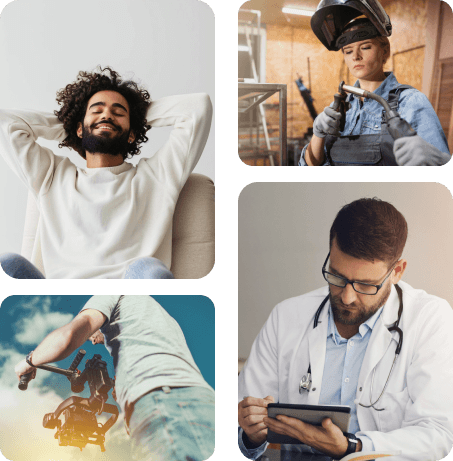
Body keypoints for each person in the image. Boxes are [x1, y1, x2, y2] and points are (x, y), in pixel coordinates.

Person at [238, 198, 453, 460]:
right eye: (337, 277)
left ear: (397, 271)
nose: (348, 297)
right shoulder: (286, 316)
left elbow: (436, 433)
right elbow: (243, 425)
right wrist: (250, 433)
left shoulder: (430, 319)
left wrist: (352, 446)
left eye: (365, 284)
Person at [0, 67, 212, 278]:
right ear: (79, 128)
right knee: (7, 263)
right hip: (59, 299)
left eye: (118, 112)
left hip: (129, 295)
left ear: (132, 136)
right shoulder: (52, 176)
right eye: (97, 110)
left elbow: (197, 107)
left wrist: (133, 117)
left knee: (149, 270)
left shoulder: (157, 176)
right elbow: (5, 122)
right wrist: (72, 122)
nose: (107, 115)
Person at [15, 295, 215, 461]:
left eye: (92, 335)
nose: (92, 340)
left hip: (164, 402)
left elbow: (70, 336)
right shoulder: (155, 320)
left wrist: (30, 361)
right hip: (203, 402)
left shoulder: (112, 292)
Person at [300, 1, 450, 166]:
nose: (355, 56)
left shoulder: (410, 103)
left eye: (365, 47)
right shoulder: (341, 108)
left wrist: (439, 161)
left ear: (384, 50)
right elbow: (310, 166)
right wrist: (318, 134)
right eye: (348, 51)